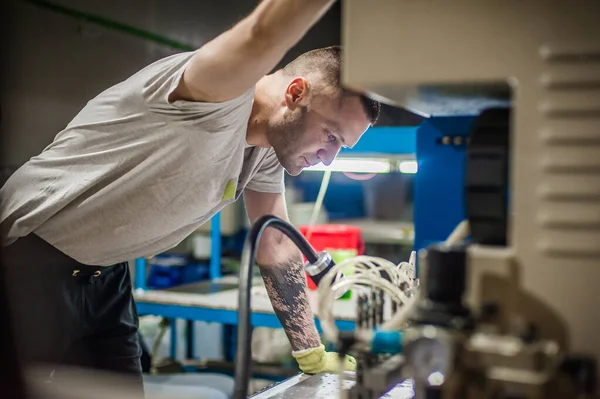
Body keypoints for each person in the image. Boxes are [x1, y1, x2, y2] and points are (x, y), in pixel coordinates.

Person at [0, 0, 380, 395]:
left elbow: (278, 244)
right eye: (331, 135)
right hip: (25, 260)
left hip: (105, 276)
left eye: (343, 147)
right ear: (296, 92)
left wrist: (311, 354)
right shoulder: (218, 95)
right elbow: (261, 34)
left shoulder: (266, 150)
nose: (329, 156)